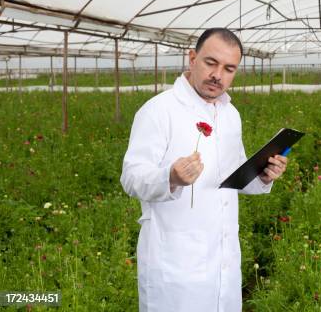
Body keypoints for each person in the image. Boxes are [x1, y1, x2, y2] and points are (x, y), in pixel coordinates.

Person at [120, 28, 288, 312]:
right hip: (175, 265)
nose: (218, 75)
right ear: (192, 58)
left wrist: (261, 174)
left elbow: (234, 175)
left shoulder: (230, 114)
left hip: (222, 258)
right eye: (211, 63)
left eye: (228, 68)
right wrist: (169, 177)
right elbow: (131, 177)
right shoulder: (159, 111)